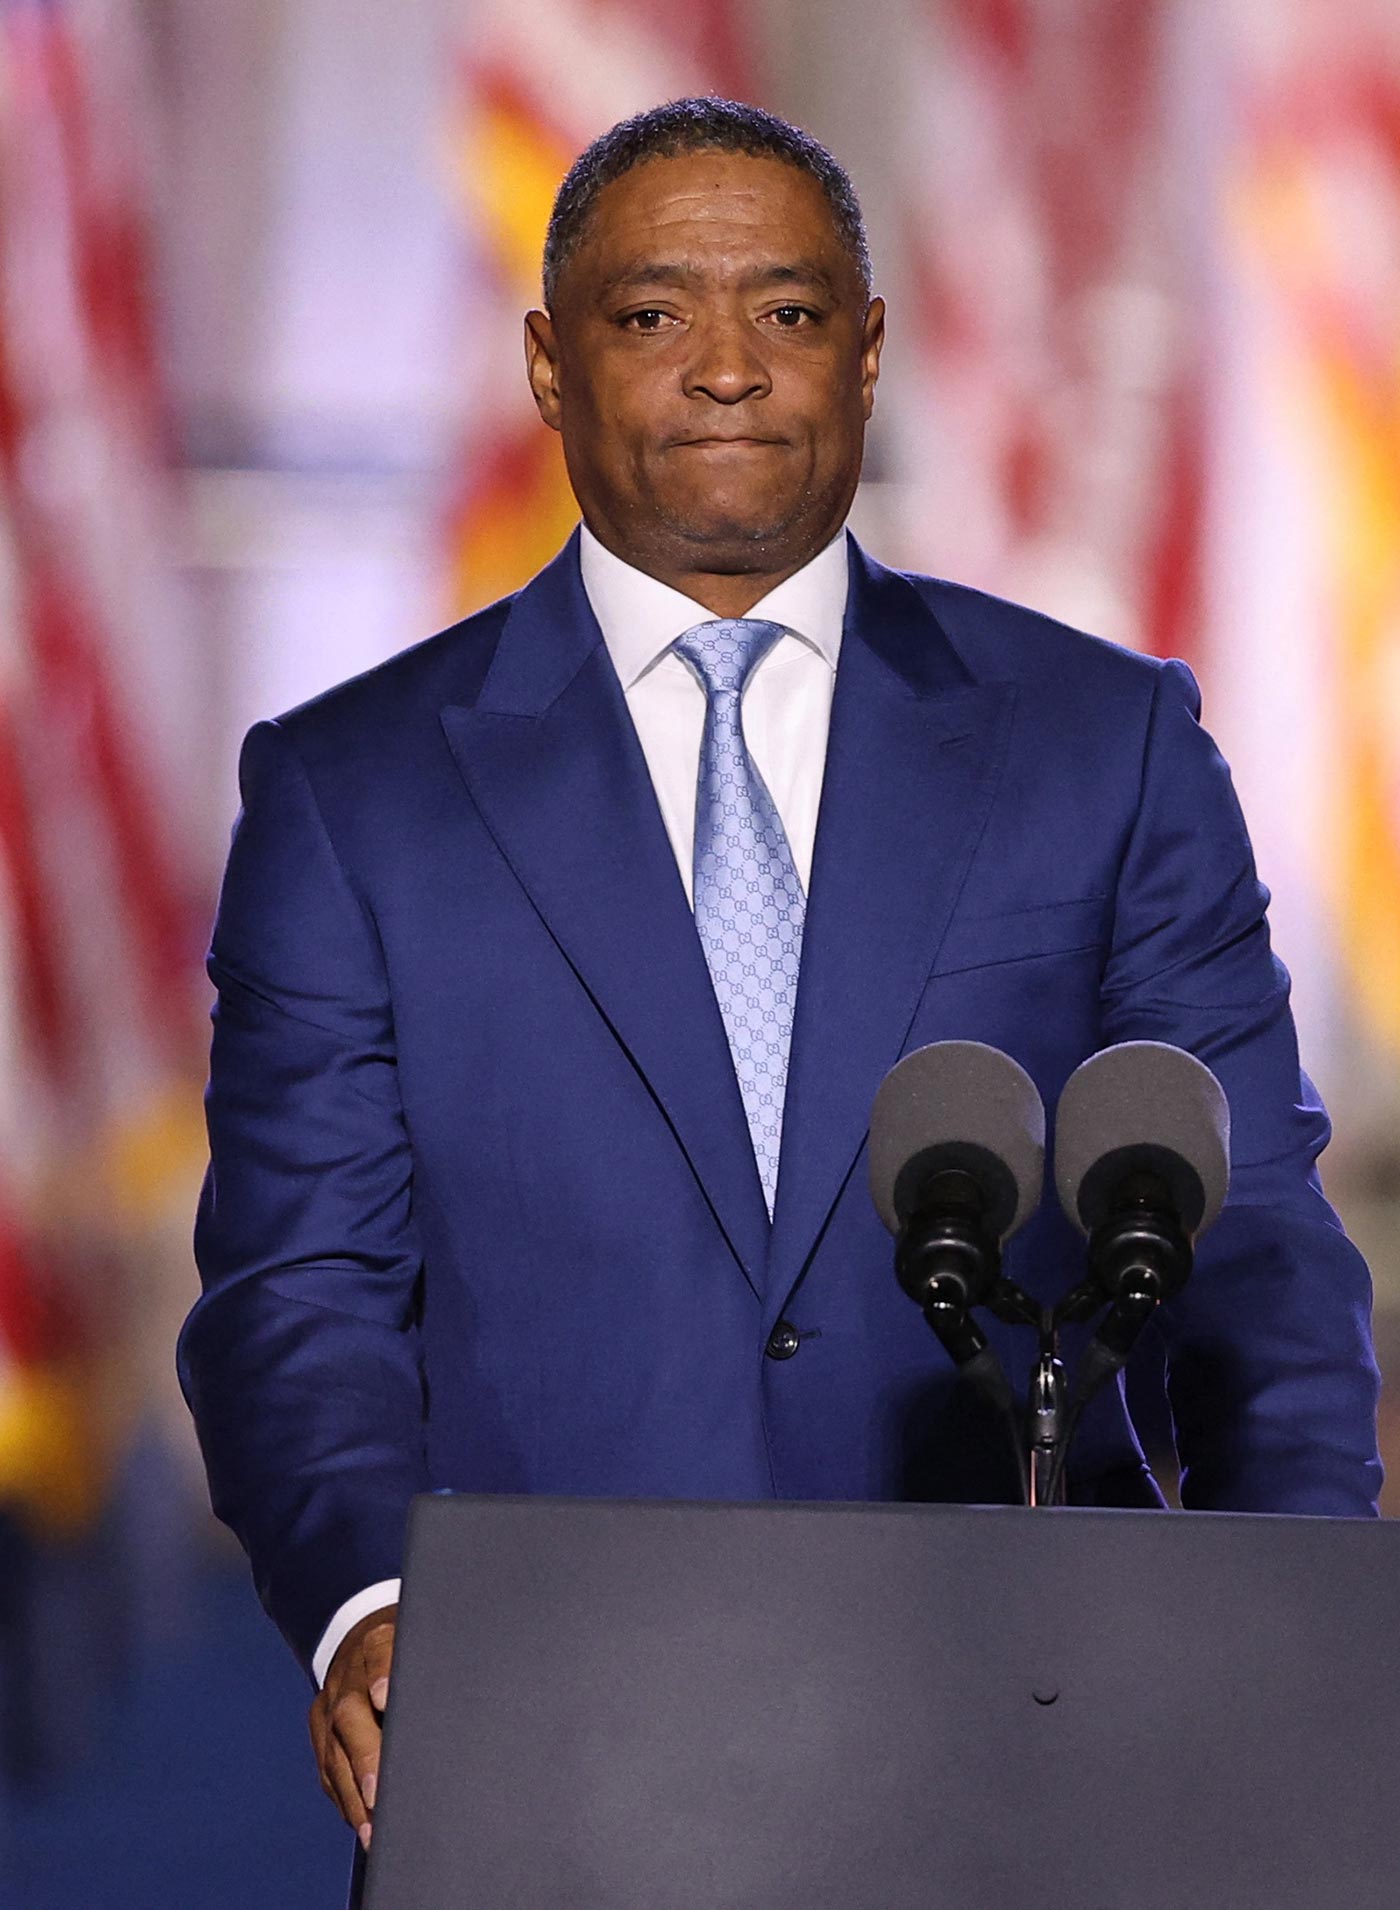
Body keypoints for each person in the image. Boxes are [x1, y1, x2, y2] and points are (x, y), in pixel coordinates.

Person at [178, 97, 1381, 1862]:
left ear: (872, 352)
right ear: (546, 364)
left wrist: (1298, 1637)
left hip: (1036, 1760)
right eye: (654, 313)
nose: (728, 368)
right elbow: (299, 1288)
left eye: (793, 311)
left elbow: (1256, 1239)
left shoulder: (1105, 747)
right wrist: (370, 1599)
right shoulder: (352, 794)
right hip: (545, 1756)